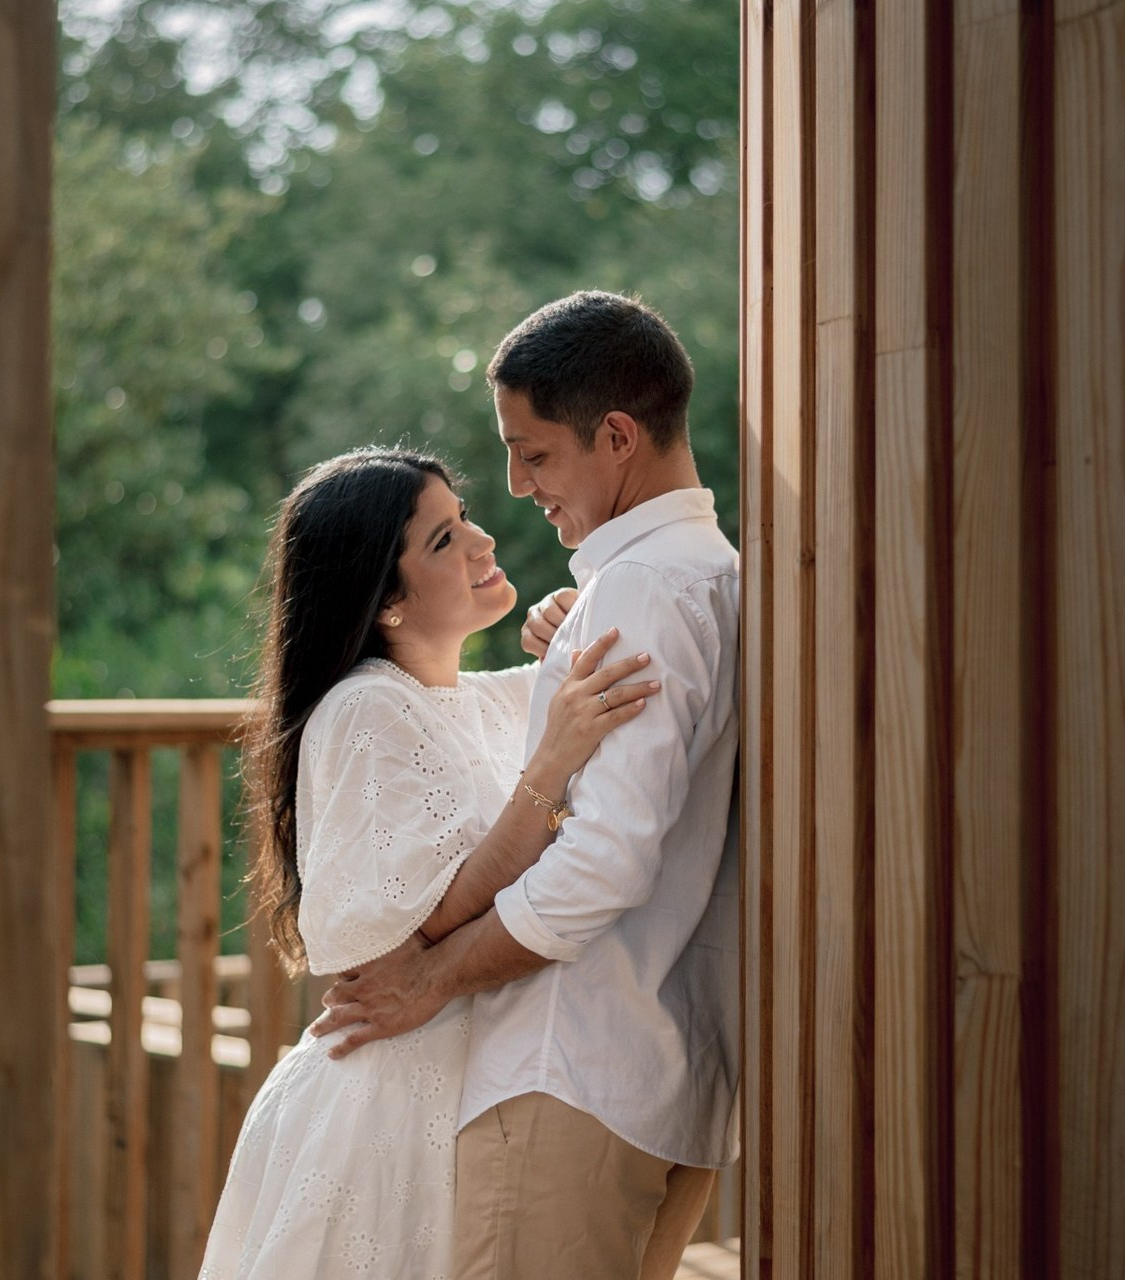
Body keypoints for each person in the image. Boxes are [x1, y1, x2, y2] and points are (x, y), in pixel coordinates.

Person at [312, 292, 741, 1280]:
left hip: (570, 1071)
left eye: (534, 452)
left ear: (617, 435)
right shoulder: (702, 570)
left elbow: (602, 857)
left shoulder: (641, 586)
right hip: (660, 1069)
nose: (517, 485)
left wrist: (431, 976)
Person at [198, 446, 657, 1280]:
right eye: (444, 541)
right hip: (391, 1111)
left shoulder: (478, 701)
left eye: (465, 517)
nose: (483, 542)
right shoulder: (364, 708)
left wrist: (571, 620)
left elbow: (572, 692)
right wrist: (549, 770)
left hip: (467, 1088)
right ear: (387, 602)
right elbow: (428, 914)